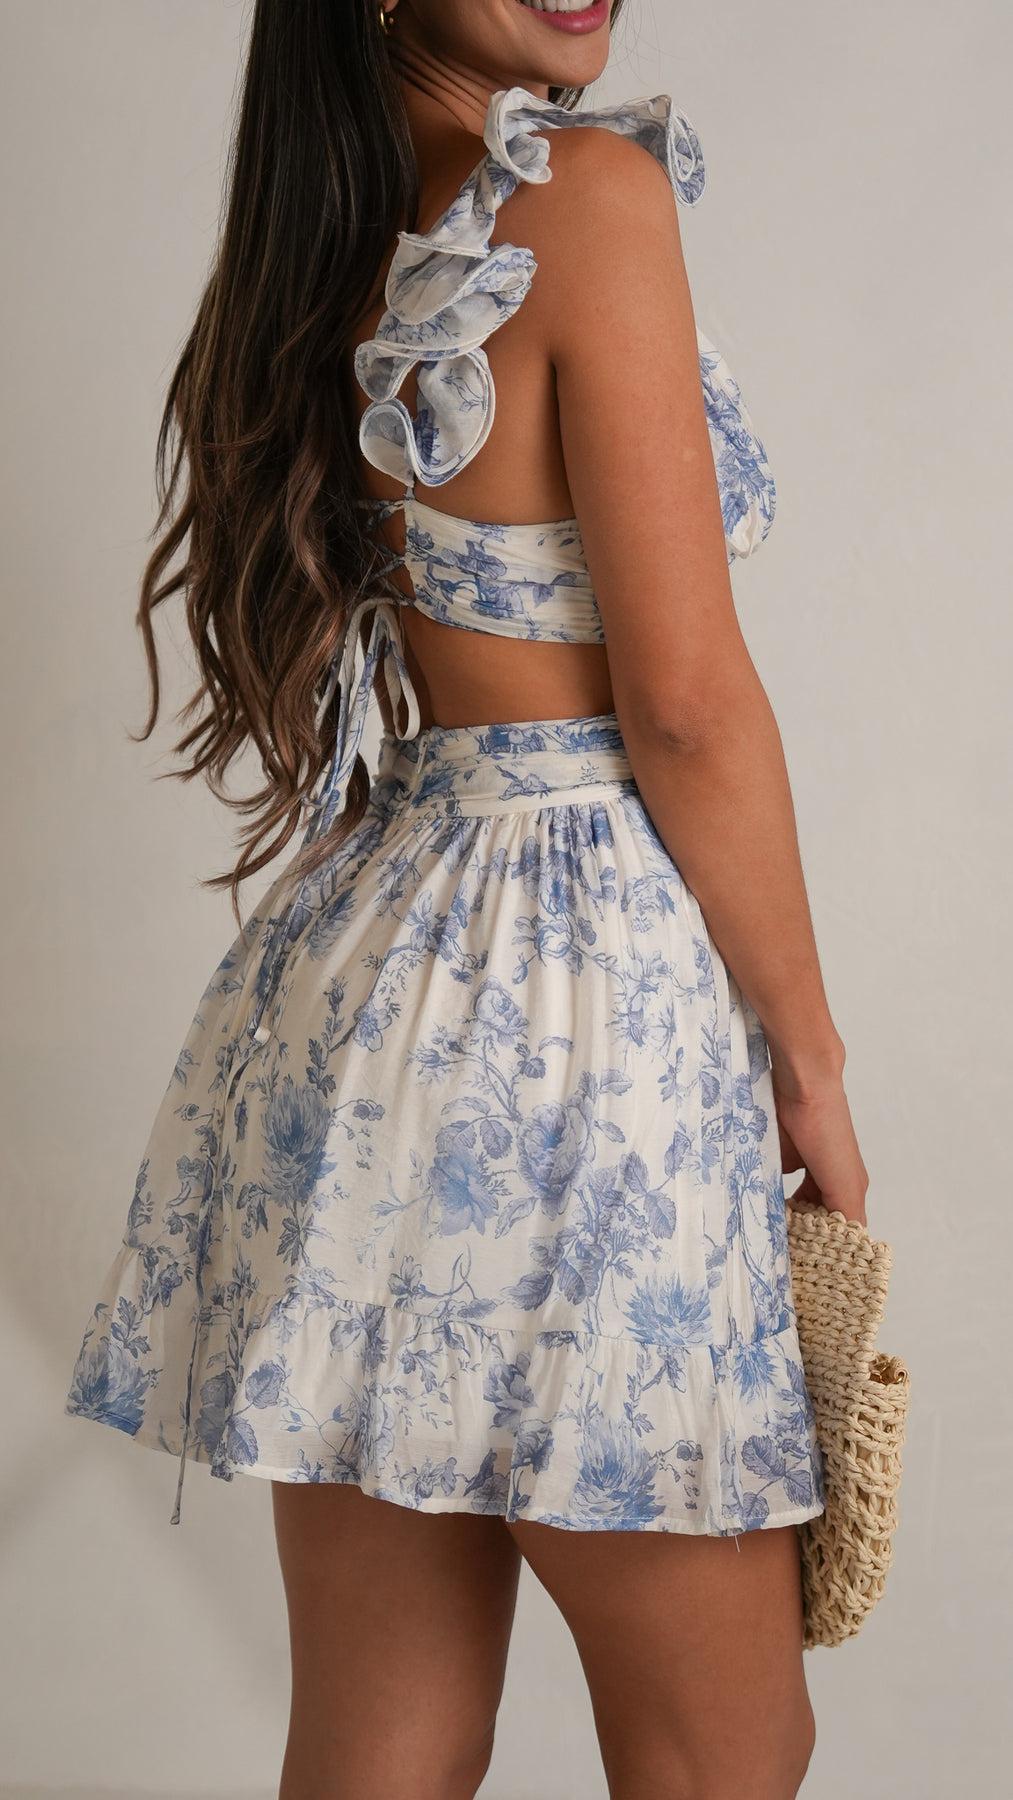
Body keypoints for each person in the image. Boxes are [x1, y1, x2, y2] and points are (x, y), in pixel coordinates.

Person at [66, 2, 869, 1795]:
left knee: (384, 1745)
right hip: (580, 1012)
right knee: (724, 1754)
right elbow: (682, 706)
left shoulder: (327, 218)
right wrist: (809, 1065)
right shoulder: (580, 195)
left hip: (368, 994)